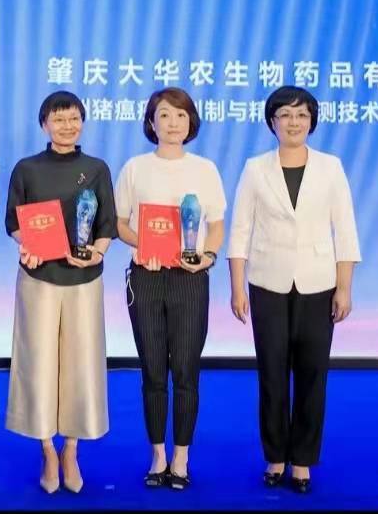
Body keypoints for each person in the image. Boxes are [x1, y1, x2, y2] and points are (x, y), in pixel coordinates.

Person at [226, 85, 361, 494]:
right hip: (267, 282)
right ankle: (276, 457)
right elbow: (240, 230)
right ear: (272, 122)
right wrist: (236, 287)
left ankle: (302, 460)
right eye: (285, 114)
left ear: (312, 122)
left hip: (319, 284)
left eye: (301, 115)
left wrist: (344, 288)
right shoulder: (255, 169)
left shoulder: (331, 168)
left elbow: (346, 231)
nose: (293, 122)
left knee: (312, 374)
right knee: (271, 374)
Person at [113, 87, 226, 491]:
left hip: (189, 279)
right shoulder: (135, 168)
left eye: (180, 115)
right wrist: (143, 245)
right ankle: (158, 454)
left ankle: (182, 455)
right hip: (146, 276)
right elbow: (120, 223)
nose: (173, 123)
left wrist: (208, 256)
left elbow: (216, 225)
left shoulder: (205, 169)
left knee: (186, 370)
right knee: (153, 370)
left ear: (190, 121)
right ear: (151, 122)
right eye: (164, 115)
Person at [4, 90, 116, 494]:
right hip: (39, 277)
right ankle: (47, 449)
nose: (67, 126)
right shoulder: (27, 168)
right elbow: (13, 222)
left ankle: (71, 448)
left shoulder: (96, 168)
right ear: (44, 124)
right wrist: (28, 243)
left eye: (73, 119)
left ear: (82, 122)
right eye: (58, 119)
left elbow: (107, 224)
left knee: (81, 364)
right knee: (38, 362)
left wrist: (96, 253)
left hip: (84, 279)